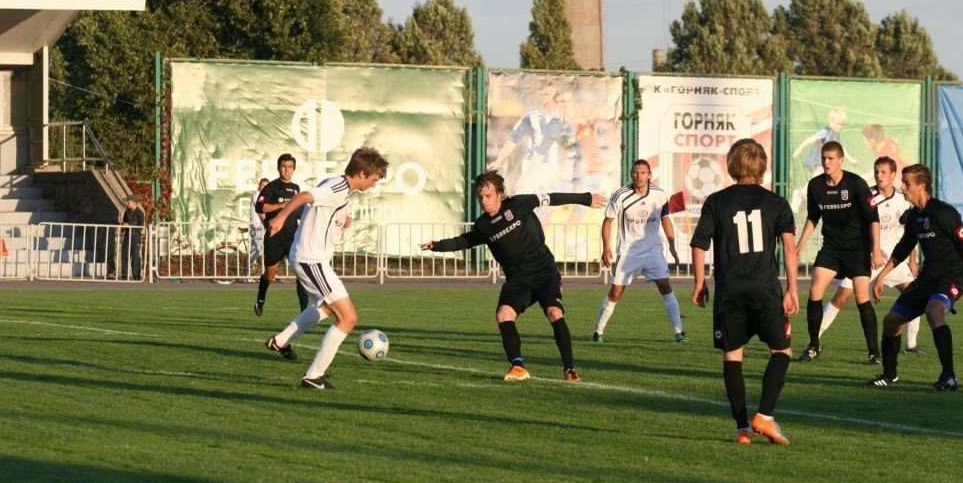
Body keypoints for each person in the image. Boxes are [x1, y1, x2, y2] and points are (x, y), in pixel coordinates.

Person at [420, 170, 606, 382]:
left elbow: (552, 198)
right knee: (503, 315)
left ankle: (570, 370)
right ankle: (518, 367)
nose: (483, 200)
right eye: (480, 196)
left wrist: (586, 198)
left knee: (554, 312)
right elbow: (464, 241)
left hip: (544, 271)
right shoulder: (483, 225)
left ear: (500, 194)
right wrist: (436, 246)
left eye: (488, 195)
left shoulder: (518, 204)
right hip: (518, 280)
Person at [690, 139, 799, 446]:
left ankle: (741, 428)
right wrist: (791, 288)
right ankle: (764, 415)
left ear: (732, 164)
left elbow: (699, 243)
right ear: (762, 166)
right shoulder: (776, 203)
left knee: (732, 356)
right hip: (765, 290)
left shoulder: (717, 201)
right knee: (782, 352)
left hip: (730, 291)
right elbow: (789, 249)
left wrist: (700, 283)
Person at [263, 147, 389, 389]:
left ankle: (281, 341)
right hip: (311, 259)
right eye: (374, 179)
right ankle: (313, 376)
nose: (374, 185)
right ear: (362, 173)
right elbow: (303, 198)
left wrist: (342, 221)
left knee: (326, 308)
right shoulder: (337, 187)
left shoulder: (340, 188)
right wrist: (280, 218)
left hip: (313, 259)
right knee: (349, 318)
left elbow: (318, 209)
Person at [868, 163, 963, 390]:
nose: (903, 187)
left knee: (934, 310)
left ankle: (949, 376)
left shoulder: (943, 212)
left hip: (951, 277)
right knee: (891, 321)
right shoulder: (913, 217)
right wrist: (881, 277)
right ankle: (890, 375)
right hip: (927, 279)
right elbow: (902, 250)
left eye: (907, 183)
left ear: (921, 186)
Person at [815, 157, 924, 353]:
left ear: (893, 174)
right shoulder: (867, 196)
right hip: (868, 257)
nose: (879, 176)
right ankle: (812, 341)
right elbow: (857, 227)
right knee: (841, 297)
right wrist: (873, 248)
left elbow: (909, 232)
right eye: (876, 172)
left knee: (915, 295)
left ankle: (911, 345)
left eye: (883, 172)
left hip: (894, 259)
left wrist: (913, 260)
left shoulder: (902, 198)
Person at [794, 141, 884, 364]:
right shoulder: (816, 186)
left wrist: (875, 250)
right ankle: (814, 345)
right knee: (815, 290)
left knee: (862, 297)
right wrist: (800, 244)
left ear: (841, 161)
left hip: (857, 248)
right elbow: (813, 217)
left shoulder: (856, 184)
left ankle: (874, 353)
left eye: (831, 158)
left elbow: (873, 218)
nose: (826, 162)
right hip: (831, 248)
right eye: (824, 158)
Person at [591, 159, 685, 344]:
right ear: (631, 174)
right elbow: (608, 221)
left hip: (653, 250)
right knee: (616, 292)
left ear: (650, 175)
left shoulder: (659, 195)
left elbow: (665, 219)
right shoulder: (620, 195)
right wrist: (606, 247)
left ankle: (679, 332)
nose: (639, 176)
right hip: (628, 252)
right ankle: (598, 331)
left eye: (643, 173)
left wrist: (672, 245)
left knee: (665, 286)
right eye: (636, 172)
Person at [254, 153, 308, 316]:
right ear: (279, 168)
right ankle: (260, 299)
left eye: (290, 167)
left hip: (292, 236)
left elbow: (297, 211)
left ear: (294, 169)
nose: (287, 170)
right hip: (274, 237)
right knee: (270, 275)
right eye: (284, 166)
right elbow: (260, 207)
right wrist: (282, 205)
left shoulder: (296, 188)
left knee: (301, 272)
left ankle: (304, 312)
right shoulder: (271, 187)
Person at [791, 108, 859, 212]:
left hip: (826, 164)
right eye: (838, 123)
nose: (840, 127)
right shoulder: (825, 132)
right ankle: (800, 195)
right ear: (831, 122)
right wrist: (799, 148)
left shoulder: (836, 135)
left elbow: (841, 149)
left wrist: (851, 160)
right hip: (818, 161)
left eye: (842, 124)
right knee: (819, 181)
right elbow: (811, 139)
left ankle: (812, 199)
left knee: (822, 182)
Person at [107, 194, 145, 281]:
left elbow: (141, 225)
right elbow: (124, 222)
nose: (127, 203)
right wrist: (123, 226)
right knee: (125, 254)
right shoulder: (127, 211)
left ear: (134, 202)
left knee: (135, 256)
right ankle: (124, 275)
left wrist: (130, 225)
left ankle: (136, 276)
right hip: (127, 236)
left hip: (135, 236)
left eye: (129, 202)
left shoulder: (140, 213)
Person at [248, 177, 270, 273]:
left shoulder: (263, 197)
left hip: (259, 227)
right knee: (256, 250)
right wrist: (268, 222)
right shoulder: (257, 196)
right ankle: (246, 274)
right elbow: (261, 212)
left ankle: (250, 272)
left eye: (267, 186)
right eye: (263, 185)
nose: (265, 187)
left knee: (257, 250)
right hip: (257, 227)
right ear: (259, 186)